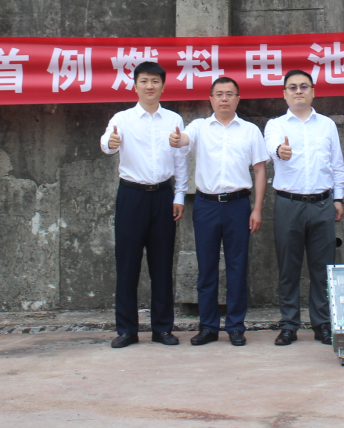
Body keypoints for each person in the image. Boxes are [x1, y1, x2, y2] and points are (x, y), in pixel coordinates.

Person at [168, 77, 267, 347]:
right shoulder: (199, 127)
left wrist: (257, 209)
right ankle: (208, 326)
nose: (224, 99)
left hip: (238, 205)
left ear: (238, 99)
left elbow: (260, 171)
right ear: (210, 99)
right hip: (206, 206)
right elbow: (184, 139)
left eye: (230, 94)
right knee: (207, 268)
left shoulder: (250, 131)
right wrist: (177, 138)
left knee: (237, 267)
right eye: (219, 94)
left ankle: (235, 326)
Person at [100, 61, 188, 348]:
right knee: (127, 264)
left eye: (155, 81)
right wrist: (112, 142)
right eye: (144, 81)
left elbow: (180, 160)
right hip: (132, 196)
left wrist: (179, 196)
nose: (149, 86)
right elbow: (106, 143)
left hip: (163, 196)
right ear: (135, 85)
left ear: (163, 85)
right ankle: (127, 330)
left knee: (162, 264)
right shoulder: (122, 118)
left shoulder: (173, 119)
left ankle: (162, 328)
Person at [264, 70, 344, 346]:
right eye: (292, 87)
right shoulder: (276, 125)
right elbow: (272, 147)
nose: (298, 91)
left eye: (303, 86)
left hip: (322, 204)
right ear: (284, 93)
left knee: (323, 269)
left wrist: (338, 198)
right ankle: (289, 324)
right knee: (289, 268)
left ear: (313, 91)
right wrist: (280, 151)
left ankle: (322, 324)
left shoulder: (327, 125)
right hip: (289, 204)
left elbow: (337, 164)